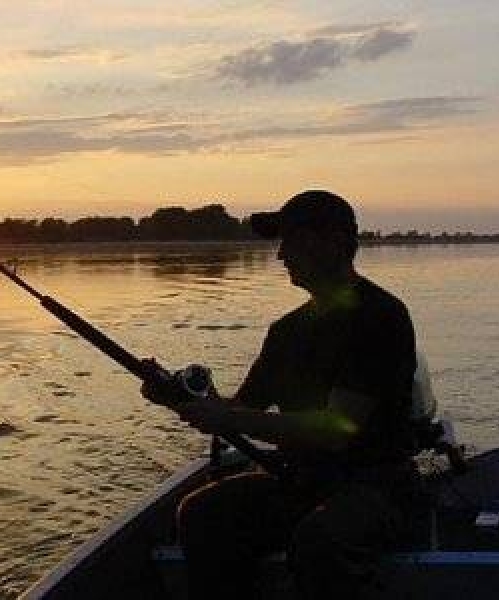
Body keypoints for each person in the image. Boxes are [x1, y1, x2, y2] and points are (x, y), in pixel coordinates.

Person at [143, 190, 421, 599]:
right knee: (202, 513)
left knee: (321, 538)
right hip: (301, 480)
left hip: (375, 486)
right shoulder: (285, 331)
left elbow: (335, 430)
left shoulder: (381, 317)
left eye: (293, 241)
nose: (280, 255)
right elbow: (242, 410)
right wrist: (176, 395)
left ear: (335, 242)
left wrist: (229, 419)